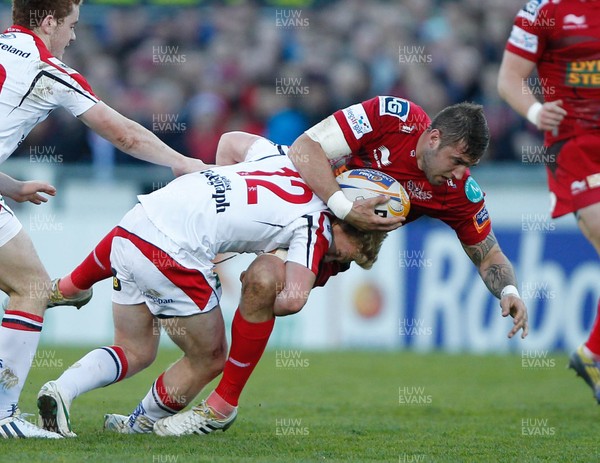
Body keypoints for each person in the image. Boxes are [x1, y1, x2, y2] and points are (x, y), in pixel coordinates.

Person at [49, 98, 530, 437]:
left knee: (245, 300)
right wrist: (333, 206)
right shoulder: (392, 115)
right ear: (432, 137)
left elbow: (487, 252)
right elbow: (304, 149)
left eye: (470, 166)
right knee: (256, 283)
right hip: (317, 214)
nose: (462, 173)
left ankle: (212, 404)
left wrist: (509, 292)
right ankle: (220, 406)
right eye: (458, 160)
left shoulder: (456, 193)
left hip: (325, 240)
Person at [37, 136, 386, 437]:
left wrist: (222, 191)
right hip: (174, 253)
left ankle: (61, 390)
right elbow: (293, 299)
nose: (341, 261)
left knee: (135, 350)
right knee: (212, 357)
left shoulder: (286, 158)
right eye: (353, 254)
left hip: (135, 223)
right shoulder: (319, 223)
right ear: (351, 222)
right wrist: (260, 295)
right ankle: (140, 424)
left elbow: (230, 141)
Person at [0, 0, 208, 439]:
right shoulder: (48, 71)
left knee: (30, 286)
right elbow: (124, 133)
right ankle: (3, 418)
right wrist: (179, 162)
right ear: (49, 21)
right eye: (71, 25)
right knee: (31, 289)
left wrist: (12, 186)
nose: (74, 36)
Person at [497, 0, 600, 403]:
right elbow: (509, 78)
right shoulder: (544, 9)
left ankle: (591, 353)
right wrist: (537, 112)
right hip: (575, 150)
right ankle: (592, 353)